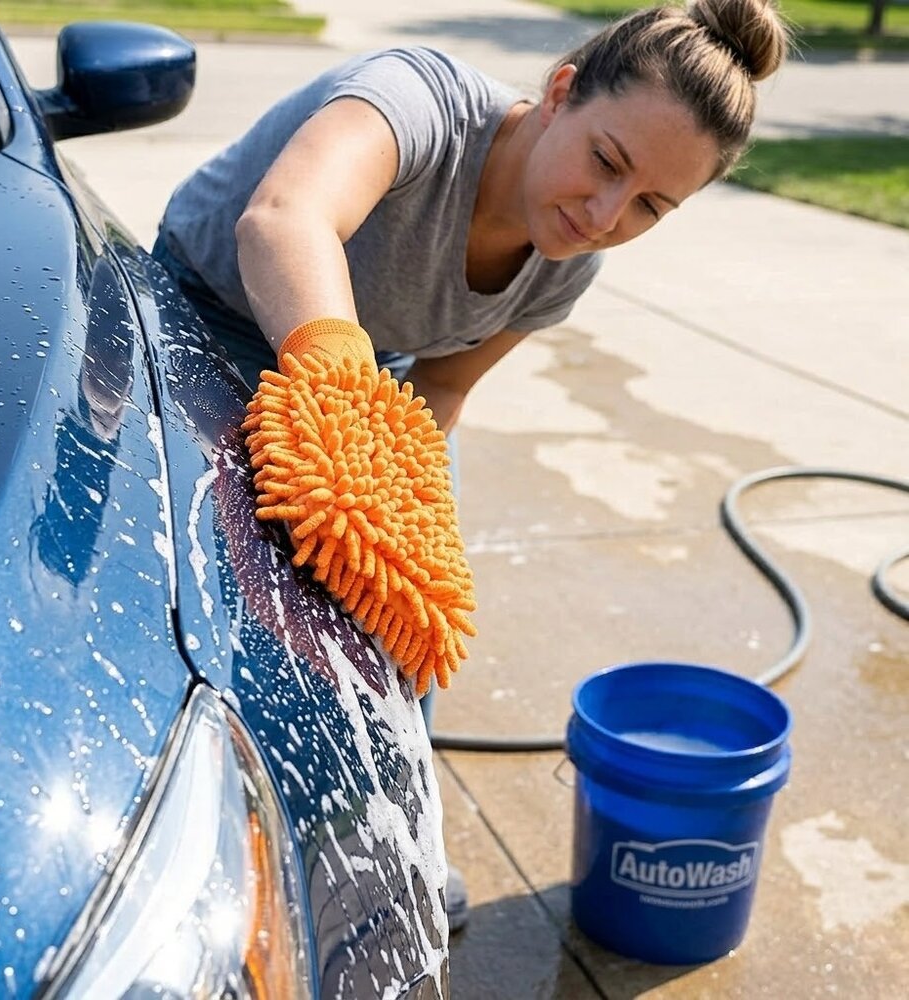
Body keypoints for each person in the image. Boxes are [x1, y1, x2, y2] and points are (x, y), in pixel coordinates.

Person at [153, 0, 791, 933]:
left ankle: (391, 837)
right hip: (201, 322)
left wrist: (411, 519)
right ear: (562, 91)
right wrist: (346, 407)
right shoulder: (417, 102)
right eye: (607, 162)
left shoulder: (563, 269)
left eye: (653, 205)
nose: (606, 214)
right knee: (235, 593)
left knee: (407, 601)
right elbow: (283, 221)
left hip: (373, 377)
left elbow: (442, 389)